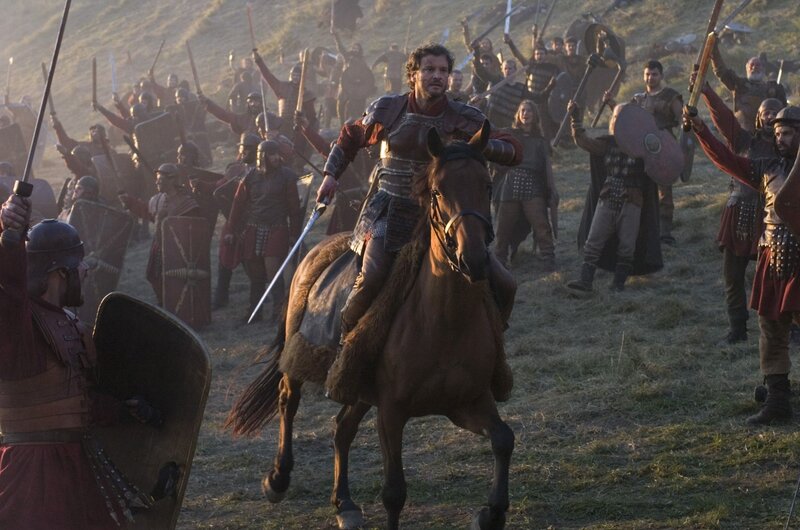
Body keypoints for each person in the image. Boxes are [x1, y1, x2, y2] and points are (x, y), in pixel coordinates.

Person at [315, 43, 522, 351]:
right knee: (371, 278)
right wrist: (331, 174)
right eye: (429, 70)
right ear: (413, 75)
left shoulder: (462, 116)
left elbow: (514, 149)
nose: (437, 76)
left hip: (443, 213)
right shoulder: (389, 110)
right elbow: (350, 136)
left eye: (443, 71)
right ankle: (348, 349)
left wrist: (481, 146)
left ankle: (490, 348)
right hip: (388, 209)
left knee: (504, 284)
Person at [0, 198, 162, 528]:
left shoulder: (71, 323)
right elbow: (10, 290)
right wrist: (9, 236)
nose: (86, 269)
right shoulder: (19, 327)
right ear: (61, 272)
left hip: (74, 463)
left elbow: (75, 400)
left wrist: (122, 410)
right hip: (32, 473)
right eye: (80, 263)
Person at [687, 105, 800, 425]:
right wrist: (700, 129)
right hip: (773, 256)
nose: (780, 139)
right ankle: (778, 402)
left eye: (787, 133)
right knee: (771, 330)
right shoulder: (767, 168)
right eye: (777, 133)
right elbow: (727, 159)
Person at [701, 80, 783, 344]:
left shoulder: (788, 149)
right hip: (738, 213)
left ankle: (786, 326)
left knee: (778, 275)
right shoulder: (744, 141)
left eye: (775, 112)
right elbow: (724, 118)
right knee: (732, 277)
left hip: (771, 218)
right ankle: (737, 329)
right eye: (766, 112)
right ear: (758, 117)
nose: (769, 116)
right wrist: (706, 91)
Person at [566, 101, 662, 293]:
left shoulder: (643, 146)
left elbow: (660, 163)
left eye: (622, 116)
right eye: (616, 116)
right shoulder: (607, 143)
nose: (618, 120)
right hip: (608, 197)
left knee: (627, 245)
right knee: (594, 240)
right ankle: (586, 281)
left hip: (632, 201)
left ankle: (618, 284)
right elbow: (584, 141)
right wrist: (575, 120)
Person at [223, 140, 301, 322]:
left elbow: (294, 209)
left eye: (277, 153)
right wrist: (230, 229)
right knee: (256, 274)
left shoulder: (287, 177)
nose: (276, 158)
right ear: (262, 156)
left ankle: (279, 311)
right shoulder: (250, 177)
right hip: (254, 228)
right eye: (272, 154)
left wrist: (294, 234)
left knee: (273, 270)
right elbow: (237, 205)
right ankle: (254, 310)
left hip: (277, 228)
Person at [606, 60, 684, 244]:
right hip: (641, 150)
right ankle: (644, 229)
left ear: (661, 76)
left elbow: (683, 120)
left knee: (664, 191)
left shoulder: (671, 96)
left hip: (663, 149)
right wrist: (611, 103)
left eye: (654, 74)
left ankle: (665, 232)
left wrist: (684, 143)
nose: (650, 78)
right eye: (647, 74)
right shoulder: (638, 99)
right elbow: (625, 118)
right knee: (640, 189)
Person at [119, 163, 204, 303]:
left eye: (160, 178)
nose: (157, 181)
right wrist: (129, 202)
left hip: (178, 250)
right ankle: (163, 302)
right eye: (157, 178)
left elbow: (193, 231)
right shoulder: (157, 199)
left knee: (175, 279)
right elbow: (148, 212)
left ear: (172, 179)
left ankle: (176, 305)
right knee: (153, 276)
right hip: (159, 246)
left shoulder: (186, 203)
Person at [493, 100, 558, 270]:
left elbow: (546, 168)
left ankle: (548, 257)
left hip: (533, 184)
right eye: (522, 110)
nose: (525, 114)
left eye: (529, 110)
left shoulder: (540, 141)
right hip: (511, 183)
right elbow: (492, 141)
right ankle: (499, 259)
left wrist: (551, 190)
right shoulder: (508, 135)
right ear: (518, 114)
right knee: (503, 226)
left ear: (535, 115)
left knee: (541, 225)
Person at [213, 133, 261, 309]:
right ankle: (221, 296)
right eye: (243, 148)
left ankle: (259, 297)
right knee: (225, 256)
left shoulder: (264, 171)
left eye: (248, 149)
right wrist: (201, 185)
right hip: (234, 220)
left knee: (252, 262)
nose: (244, 152)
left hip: (254, 223)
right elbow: (220, 187)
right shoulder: (236, 170)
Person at [711, 45, 787, 134]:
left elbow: (783, 113)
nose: (754, 67)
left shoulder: (774, 89)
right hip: (744, 135)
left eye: (758, 65)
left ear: (763, 69)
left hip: (768, 135)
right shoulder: (739, 85)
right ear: (747, 68)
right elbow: (722, 72)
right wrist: (714, 51)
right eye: (751, 65)